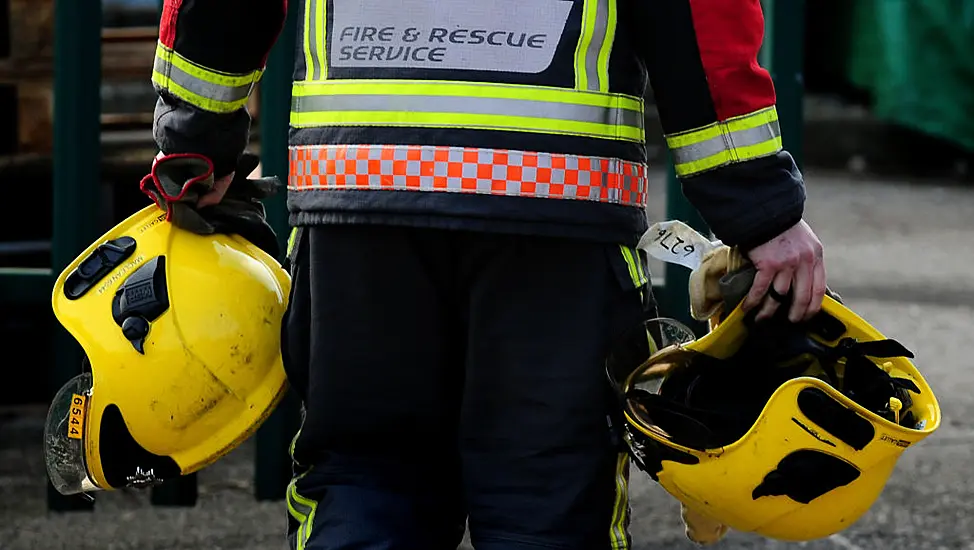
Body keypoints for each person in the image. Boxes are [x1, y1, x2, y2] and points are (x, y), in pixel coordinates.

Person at [148, 0, 826, 548]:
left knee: (365, 483)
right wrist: (755, 205)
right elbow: (698, 16)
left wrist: (196, 140)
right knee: (547, 500)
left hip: (361, 186)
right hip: (552, 199)